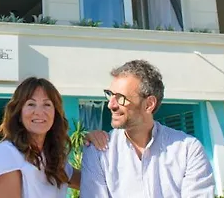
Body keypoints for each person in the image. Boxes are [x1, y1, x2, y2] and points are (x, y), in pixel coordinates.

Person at [80, 60, 215, 198]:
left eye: (120, 98)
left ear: (149, 104)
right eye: (110, 94)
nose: (111, 105)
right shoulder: (98, 151)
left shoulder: (188, 150)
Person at [0, 77, 109, 198]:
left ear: (55, 114)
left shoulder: (53, 158)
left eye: (47, 104)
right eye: (31, 104)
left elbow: (91, 181)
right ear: (19, 113)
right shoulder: (7, 154)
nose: (39, 112)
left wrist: (91, 139)